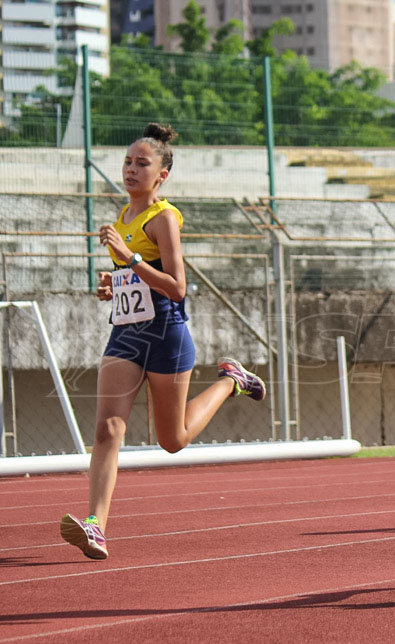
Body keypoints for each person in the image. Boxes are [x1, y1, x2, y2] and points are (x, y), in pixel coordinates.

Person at [59, 123, 265, 560]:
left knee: (171, 440)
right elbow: (134, 283)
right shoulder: (123, 217)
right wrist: (111, 285)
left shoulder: (164, 218)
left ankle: (231, 380)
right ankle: (95, 525)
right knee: (108, 427)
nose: (131, 169)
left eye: (142, 163)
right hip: (126, 337)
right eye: (128, 162)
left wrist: (130, 258)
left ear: (162, 175)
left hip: (167, 334)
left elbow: (177, 286)